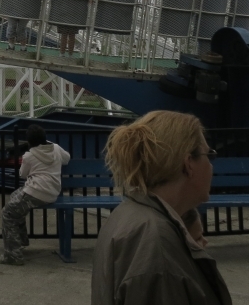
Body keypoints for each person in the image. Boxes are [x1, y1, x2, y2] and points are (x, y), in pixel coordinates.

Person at [92, 110, 231, 305]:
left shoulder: (130, 213)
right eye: (209, 155)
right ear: (188, 163)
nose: (211, 165)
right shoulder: (158, 248)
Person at [0, 124, 70, 265]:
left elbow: (22, 174)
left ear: (29, 141)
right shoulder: (55, 148)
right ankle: (20, 241)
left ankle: (13, 255)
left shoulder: (29, 155)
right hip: (52, 192)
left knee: (8, 213)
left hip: (35, 192)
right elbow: (67, 158)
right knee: (14, 198)